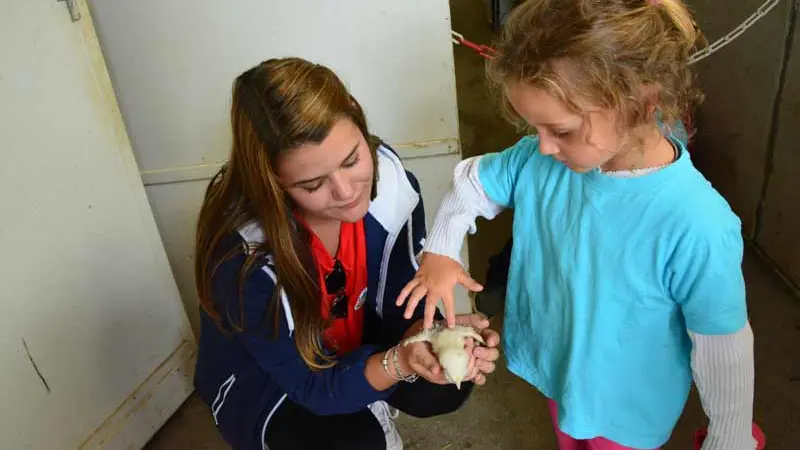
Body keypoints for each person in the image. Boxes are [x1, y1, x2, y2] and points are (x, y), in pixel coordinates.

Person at [396, 1, 759, 449]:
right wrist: (440, 250)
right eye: (536, 128)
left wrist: (730, 434)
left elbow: (722, 346)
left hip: (626, 407)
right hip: (558, 370)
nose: (543, 147)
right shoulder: (543, 159)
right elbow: (473, 182)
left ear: (639, 103)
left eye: (561, 131)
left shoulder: (697, 223)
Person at [192, 57, 500, 450]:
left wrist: (437, 336)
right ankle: (360, 397)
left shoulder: (390, 183)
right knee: (357, 441)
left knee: (442, 384)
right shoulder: (244, 259)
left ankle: (364, 387)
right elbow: (310, 386)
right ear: (273, 182)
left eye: (352, 160)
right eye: (312, 184)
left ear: (357, 117)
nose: (346, 191)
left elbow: (399, 298)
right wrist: (398, 363)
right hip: (272, 384)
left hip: (348, 334)